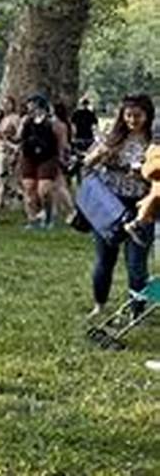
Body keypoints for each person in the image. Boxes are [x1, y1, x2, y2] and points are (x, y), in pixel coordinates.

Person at [82, 95, 155, 318]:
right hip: (111, 204)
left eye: (138, 116)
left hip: (142, 205)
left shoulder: (154, 141)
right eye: (128, 115)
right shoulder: (112, 138)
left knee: (136, 263)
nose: (133, 120)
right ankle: (99, 304)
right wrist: (99, 155)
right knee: (105, 258)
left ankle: (136, 310)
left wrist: (144, 173)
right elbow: (86, 163)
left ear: (148, 115)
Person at [18, 96, 61, 229]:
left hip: (47, 156)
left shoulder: (51, 122)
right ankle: (32, 219)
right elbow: (20, 137)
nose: (29, 107)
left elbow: (59, 140)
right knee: (29, 188)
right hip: (29, 156)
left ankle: (48, 216)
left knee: (44, 190)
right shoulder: (26, 121)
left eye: (32, 105)